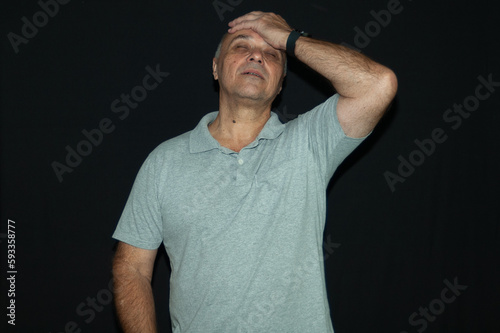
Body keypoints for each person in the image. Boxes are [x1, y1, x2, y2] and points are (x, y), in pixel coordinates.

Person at [112, 11, 397, 333]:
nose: (256, 56)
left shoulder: (309, 143)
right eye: (240, 46)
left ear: (280, 85)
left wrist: (289, 38)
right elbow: (131, 268)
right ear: (215, 68)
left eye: (272, 54)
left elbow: (377, 84)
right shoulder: (164, 162)